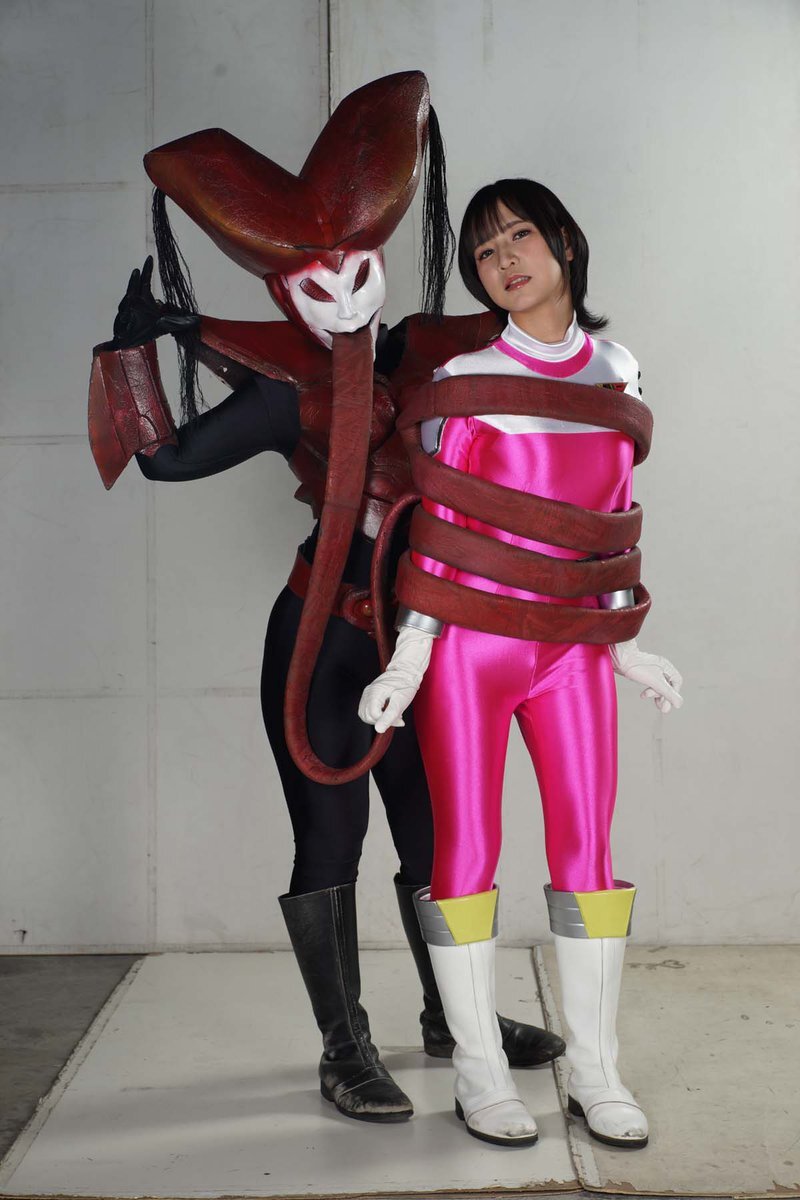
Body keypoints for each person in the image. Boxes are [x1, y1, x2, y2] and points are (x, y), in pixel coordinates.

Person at [88, 90, 563, 1130]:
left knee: (438, 840)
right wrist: (129, 354)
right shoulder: (283, 387)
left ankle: (454, 1017)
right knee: (329, 841)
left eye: (355, 271)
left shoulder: (438, 348)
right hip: (324, 643)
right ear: (285, 290)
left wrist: (539, 266)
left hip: (424, 641)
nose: (342, 295)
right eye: (314, 282)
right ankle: (344, 1050)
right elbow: (165, 461)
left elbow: (535, 349)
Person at [360, 178, 683, 1147]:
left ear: (564, 244)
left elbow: (608, 527)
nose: (504, 260)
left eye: (519, 237)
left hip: (573, 653)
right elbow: (440, 533)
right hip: (470, 651)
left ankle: (595, 1072)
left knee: (588, 853)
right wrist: (409, 658)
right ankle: (477, 1075)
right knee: (465, 853)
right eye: (484, 250)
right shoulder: (465, 380)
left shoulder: (617, 370)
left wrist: (626, 643)